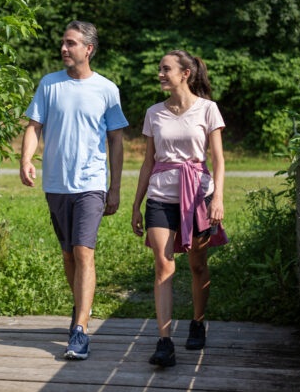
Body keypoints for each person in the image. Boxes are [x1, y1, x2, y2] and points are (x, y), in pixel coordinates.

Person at [20, 21, 128, 360]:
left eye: (71, 43)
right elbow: (33, 126)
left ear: (88, 49)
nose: (64, 49)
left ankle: (80, 330)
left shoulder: (107, 89)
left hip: (91, 185)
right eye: (63, 43)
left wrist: (115, 187)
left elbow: (117, 139)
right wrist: (26, 159)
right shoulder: (49, 85)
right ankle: (81, 309)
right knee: (68, 255)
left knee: (84, 253)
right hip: (56, 185)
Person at [130, 50, 227, 368]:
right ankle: (164, 341)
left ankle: (198, 321)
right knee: (164, 267)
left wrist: (218, 199)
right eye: (159, 68)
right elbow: (148, 162)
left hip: (198, 196)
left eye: (165, 68)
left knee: (198, 265)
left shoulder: (208, 110)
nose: (160, 73)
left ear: (185, 73)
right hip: (160, 197)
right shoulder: (154, 113)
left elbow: (218, 160)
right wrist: (137, 203)